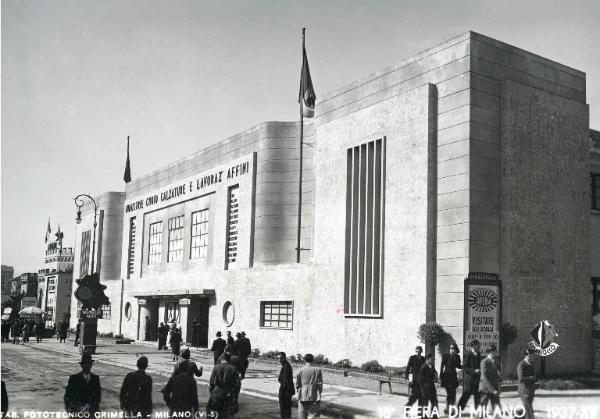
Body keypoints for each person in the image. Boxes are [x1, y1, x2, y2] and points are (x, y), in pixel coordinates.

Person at [207, 352, 241, 419]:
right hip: (228, 393)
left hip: (217, 392)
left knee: (212, 412)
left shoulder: (216, 367)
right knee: (228, 413)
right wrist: (235, 394)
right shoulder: (234, 368)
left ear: (222, 359)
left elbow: (211, 382)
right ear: (229, 360)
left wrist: (212, 391)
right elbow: (237, 384)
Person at [296, 353, 323, 419]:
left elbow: (297, 385)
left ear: (304, 360)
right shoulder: (317, 370)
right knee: (314, 416)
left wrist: (299, 393)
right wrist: (319, 394)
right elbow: (320, 385)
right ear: (313, 360)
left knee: (302, 416)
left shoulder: (300, 370)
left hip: (302, 395)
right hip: (314, 395)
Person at [458, 340, 482, 411]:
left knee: (477, 396)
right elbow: (465, 367)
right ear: (474, 346)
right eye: (478, 345)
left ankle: (477, 411)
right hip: (469, 381)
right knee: (465, 396)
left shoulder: (478, 354)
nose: (479, 346)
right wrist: (474, 371)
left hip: (477, 380)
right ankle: (457, 410)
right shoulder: (468, 355)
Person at [440, 343, 462, 414]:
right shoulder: (445, 356)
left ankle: (450, 409)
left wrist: (465, 366)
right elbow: (442, 366)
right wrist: (441, 375)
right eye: (450, 349)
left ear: (456, 350)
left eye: (453, 349)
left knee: (453, 393)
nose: (452, 350)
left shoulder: (457, 357)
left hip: (453, 377)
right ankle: (447, 409)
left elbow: (458, 366)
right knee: (450, 393)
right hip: (446, 377)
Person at [479, 346, 501, 416]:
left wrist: (498, 386)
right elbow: (484, 377)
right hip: (485, 389)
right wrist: (492, 390)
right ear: (491, 352)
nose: (497, 353)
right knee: (482, 412)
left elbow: (497, 375)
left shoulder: (495, 361)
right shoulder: (484, 362)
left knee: (497, 410)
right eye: (495, 351)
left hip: (494, 389)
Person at [417, 354, 439, 419]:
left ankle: (434, 416)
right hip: (425, 389)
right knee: (425, 403)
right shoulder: (423, 367)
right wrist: (423, 388)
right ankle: (424, 417)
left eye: (431, 359)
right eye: (430, 359)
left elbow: (434, 372)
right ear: (427, 360)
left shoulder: (431, 366)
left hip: (431, 387)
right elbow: (419, 379)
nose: (431, 360)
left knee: (434, 402)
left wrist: (436, 374)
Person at [517, 348, 537, 419]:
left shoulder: (531, 365)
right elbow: (521, 378)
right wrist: (531, 378)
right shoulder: (521, 364)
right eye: (531, 355)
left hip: (530, 390)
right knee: (529, 412)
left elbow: (535, 377)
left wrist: (533, 378)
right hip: (524, 390)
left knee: (527, 411)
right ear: (527, 355)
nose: (532, 357)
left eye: (533, 355)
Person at [278, 352, 295, 419]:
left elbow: (285, 381)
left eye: (281, 358)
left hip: (285, 392)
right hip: (287, 391)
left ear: (285, 358)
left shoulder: (286, 366)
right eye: (278, 358)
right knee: (286, 410)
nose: (279, 360)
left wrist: (281, 393)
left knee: (284, 410)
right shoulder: (286, 365)